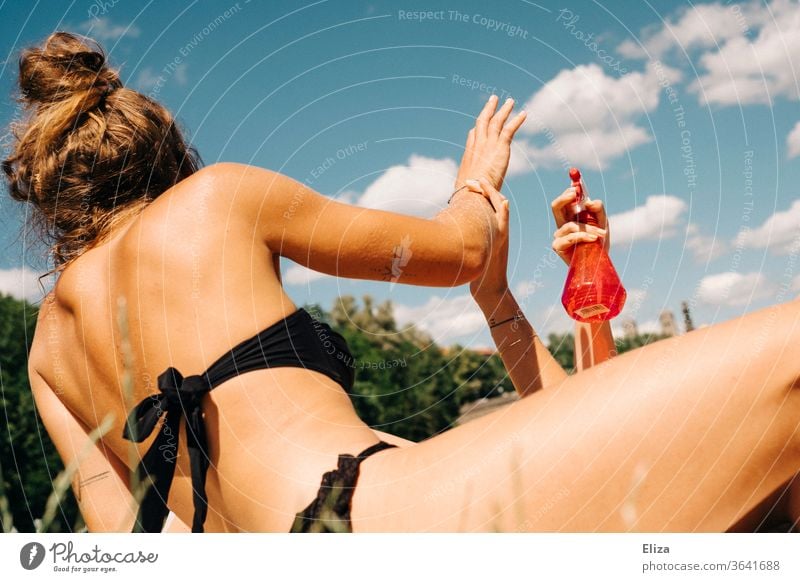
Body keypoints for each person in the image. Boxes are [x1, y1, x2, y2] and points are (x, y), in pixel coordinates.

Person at [5, 32, 798, 534]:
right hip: (370, 513)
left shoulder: (48, 348)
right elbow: (455, 251)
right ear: (170, 161)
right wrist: (477, 189)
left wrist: (516, 298)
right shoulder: (209, 201)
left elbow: (130, 542)